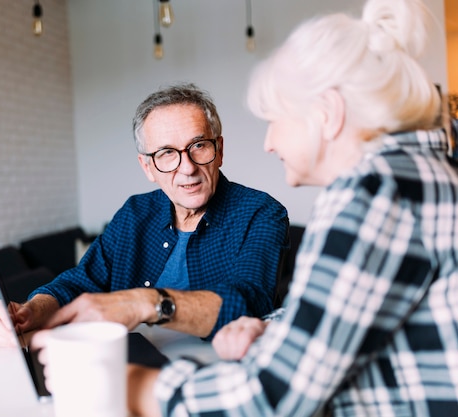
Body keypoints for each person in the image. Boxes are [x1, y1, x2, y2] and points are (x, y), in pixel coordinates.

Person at [126, 0, 458, 416]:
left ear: (326, 115)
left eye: (275, 118)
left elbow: (276, 397)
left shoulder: (375, 192)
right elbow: (351, 314)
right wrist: (274, 325)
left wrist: (140, 388)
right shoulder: (413, 173)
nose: (268, 142)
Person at [0, 83, 289, 346]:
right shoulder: (134, 214)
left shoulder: (261, 213)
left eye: (198, 146)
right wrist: (30, 311)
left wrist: (143, 303)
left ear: (219, 150)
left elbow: (247, 304)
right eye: (167, 153)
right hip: (126, 365)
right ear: (148, 168)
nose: (187, 168)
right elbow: (80, 282)